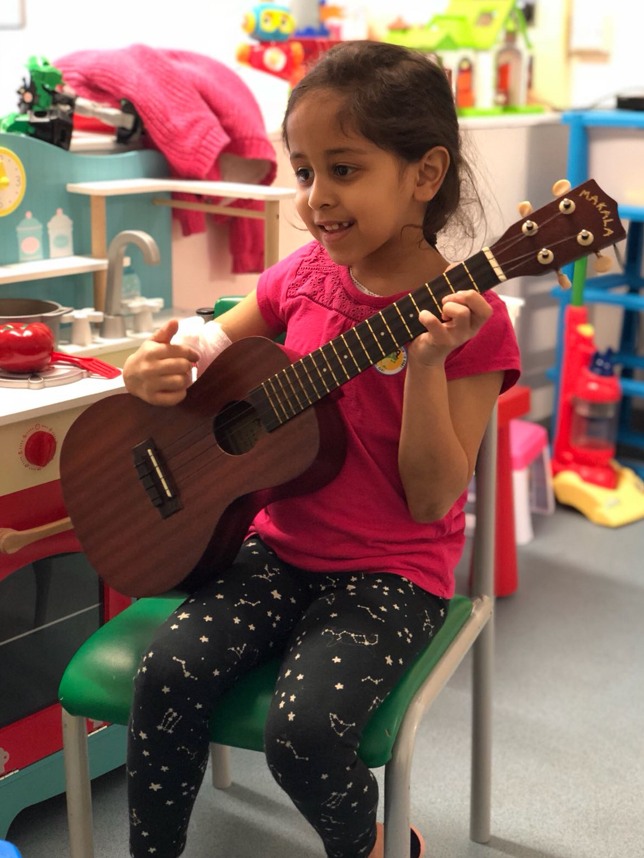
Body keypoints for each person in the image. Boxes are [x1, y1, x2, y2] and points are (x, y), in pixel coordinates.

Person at [121, 40, 520, 858]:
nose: (315, 199)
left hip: (390, 575)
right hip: (274, 550)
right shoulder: (301, 275)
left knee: (303, 733)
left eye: (344, 169)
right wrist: (157, 366)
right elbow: (209, 347)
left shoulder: (475, 324)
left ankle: (374, 846)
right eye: (304, 171)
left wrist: (427, 368)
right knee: (165, 675)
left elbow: (431, 500)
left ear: (424, 173)